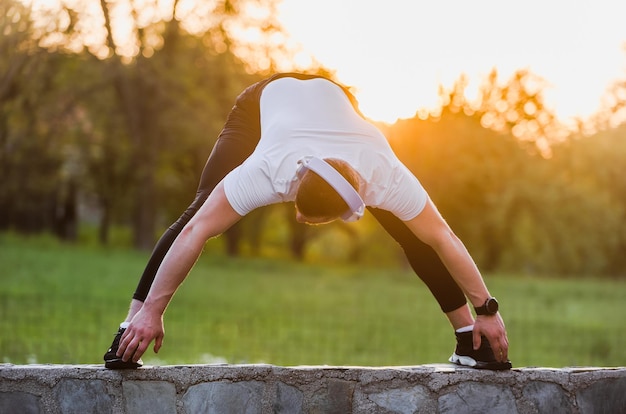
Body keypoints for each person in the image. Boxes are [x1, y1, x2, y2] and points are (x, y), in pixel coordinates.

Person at [103, 73, 511, 370]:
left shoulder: (384, 175)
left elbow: (443, 236)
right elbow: (197, 232)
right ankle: (131, 324)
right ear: (294, 183)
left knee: (416, 236)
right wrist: (152, 310)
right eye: (298, 208)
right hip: (264, 104)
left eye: (309, 218)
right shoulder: (268, 167)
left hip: (335, 97)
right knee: (199, 209)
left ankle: (469, 340)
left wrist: (486, 309)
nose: (297, 218)